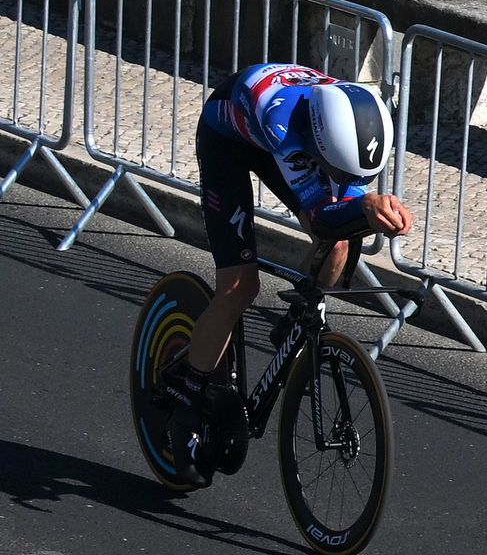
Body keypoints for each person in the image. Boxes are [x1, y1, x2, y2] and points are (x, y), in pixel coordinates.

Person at [168, 63, 413, 487]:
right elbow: (320, 215)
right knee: (240, 287)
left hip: (303, 139)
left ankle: (301, 316)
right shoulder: (279, 118)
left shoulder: (365, 119)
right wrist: (365, 207)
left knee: (340, 242)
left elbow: (345, 203)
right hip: (230, 141)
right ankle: (187, 395)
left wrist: (366, 205)